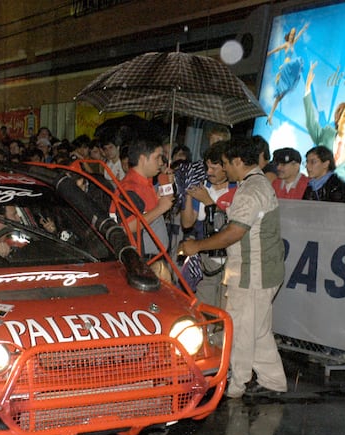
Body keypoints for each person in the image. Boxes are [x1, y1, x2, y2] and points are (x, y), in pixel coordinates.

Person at [178, 137, 287, 399]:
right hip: (264, 271)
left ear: (239, 161)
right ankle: (273, 381)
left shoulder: (249, 191)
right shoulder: (257, 184)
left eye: (226, 163)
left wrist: (197, 246)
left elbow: (234, 232)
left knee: (238, 328)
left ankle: (236, 385)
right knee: (257, 329)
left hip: (252, 272)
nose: (224, 169)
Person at [179, 141, 235, 307]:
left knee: (226, 308)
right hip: (206, 259)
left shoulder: (237, 188)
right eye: (207, 167)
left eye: (214, 167)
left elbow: (229, 225)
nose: (209, 172)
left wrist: (208, 201)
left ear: (226, 166)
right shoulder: (204, 187)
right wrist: (188, 193)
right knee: (205, 308)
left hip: (230, 258)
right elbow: (187, 222)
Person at [111, 131, 173, 268]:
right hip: (143, 262)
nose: (161, 162)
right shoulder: (130, 188)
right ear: (143, 158)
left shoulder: (145, 183)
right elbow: (127, 227)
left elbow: (147, 211)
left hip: (154, 259)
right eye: (157, 157)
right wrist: (160, 209)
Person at [304, 61, 345, 181]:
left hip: (338, 195)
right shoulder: (326, 133)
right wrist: (308, 90)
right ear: (338, 118)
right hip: (316, 188)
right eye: (344, 115)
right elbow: (311, 123)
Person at [266, 23, 308, 126]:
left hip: (289, 68)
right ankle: (270, 115)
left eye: (293, 35)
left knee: (280, 97)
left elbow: (299, 35)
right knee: (298, 61)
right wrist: (268, 53)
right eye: (291, 34)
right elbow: (277, 49)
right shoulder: (286, 45)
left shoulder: (292, 44)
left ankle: (270, 116)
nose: (292, 36)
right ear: (288, 35)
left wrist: (303, 28)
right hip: (286, 66)